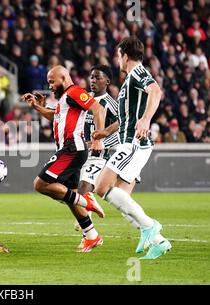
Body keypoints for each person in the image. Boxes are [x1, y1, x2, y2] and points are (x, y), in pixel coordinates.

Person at [93, 37, 171, 260]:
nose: (117, 59)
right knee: (122, 199)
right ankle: (159, 243)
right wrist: (105, 132)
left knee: (101, 187)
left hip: (134, 143)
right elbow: (126, 117)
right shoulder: (130, 80)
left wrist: (146, 119)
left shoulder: (137, 72)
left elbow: (155, 91)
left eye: (118, 55)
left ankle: (150, 226)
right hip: (128, 140)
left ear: (125, 56)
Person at [21, 65, 107, 253]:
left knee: (40, 184)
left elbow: (97, 108)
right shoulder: (65, 99)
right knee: (69, 195)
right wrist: (38, 107)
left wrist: (98, 137)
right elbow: (55, 116)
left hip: (72, 148)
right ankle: (91, 236)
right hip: (69, 149)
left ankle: (87, 202)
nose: (50, 85)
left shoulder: (75, 91)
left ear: (63, 78)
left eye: (52, 81)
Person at [73, 65, 119, 231]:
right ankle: (89, 208)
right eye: (91, 77)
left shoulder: (110, 104)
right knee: (67, 191)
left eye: (97, 77)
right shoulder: (84, 100)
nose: (93, 81)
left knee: (84, 187)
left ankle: (89, 232)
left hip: (99, 157)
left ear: (107, 81)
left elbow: (123, 127)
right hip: (80, 155)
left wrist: (101, 143)